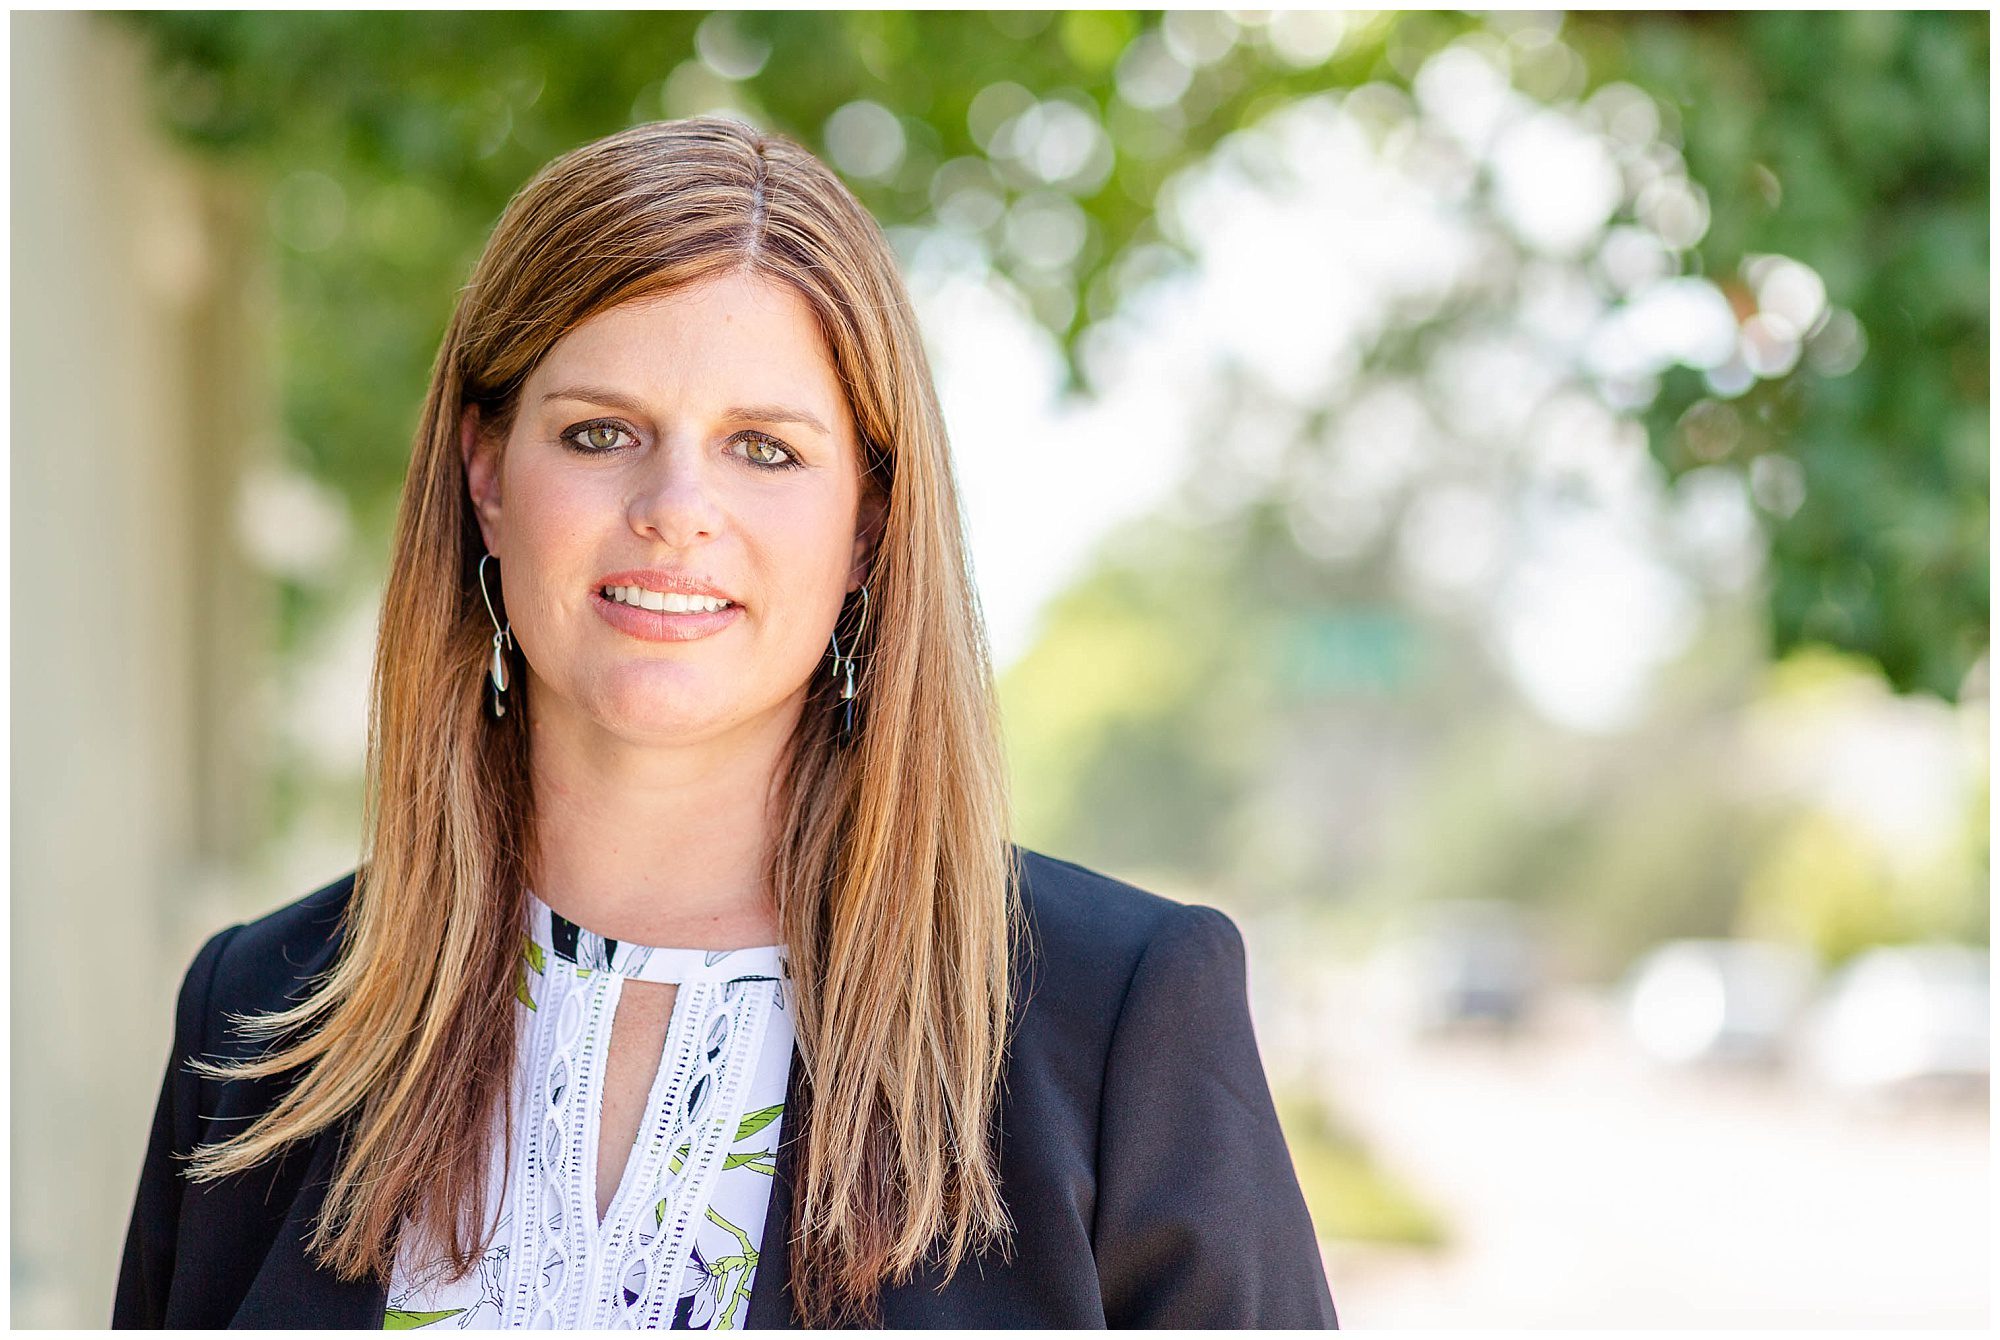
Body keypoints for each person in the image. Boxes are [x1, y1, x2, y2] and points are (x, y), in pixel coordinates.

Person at [112, 115, 1338, 1329]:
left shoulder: (1112, 1016)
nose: (675, 509)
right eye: (600, 432)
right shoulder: (261, 1011)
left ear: (866, 522)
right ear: (486, 476)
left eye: (763, 448)